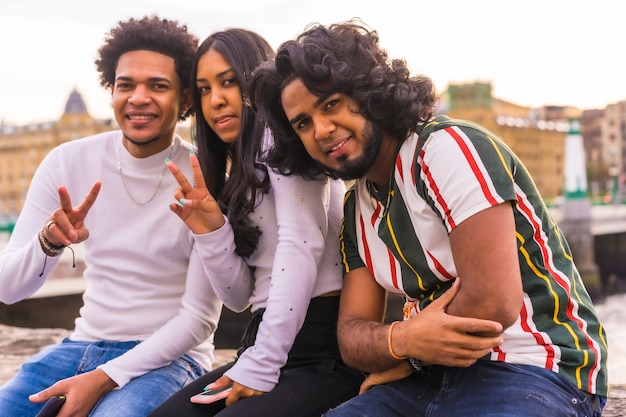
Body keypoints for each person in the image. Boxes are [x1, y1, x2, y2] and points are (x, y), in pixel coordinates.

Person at [250, 20, 609, 417]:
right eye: (302, 123)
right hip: (424, 383)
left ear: (366, 92)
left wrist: (404, 352)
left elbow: (493, 302)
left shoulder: (445, 149)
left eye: (331, 104)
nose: (321, 129)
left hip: (531, 367)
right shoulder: (357, 208)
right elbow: (351, 338)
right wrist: (407, 341)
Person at [0, 15, 222, 417]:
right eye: (126, 85)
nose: (138, 97)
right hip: (81, 344)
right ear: (111, 90)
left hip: (171, 359)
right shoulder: (67, 161)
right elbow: (8, 289)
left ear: (186, 99)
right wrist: (48, 243)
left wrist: (104, 376)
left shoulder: (203, 177)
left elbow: (198, 323)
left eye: (158, 85)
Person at [148, 28, 365, 417]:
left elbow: (302, 243)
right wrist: (211, 233)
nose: (215, 100)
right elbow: (238, 296)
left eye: (229, 81)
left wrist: (262, 362)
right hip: (266, 339)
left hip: (319, 349)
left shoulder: (283, 140)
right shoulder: (234, 175)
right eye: (203, 89)